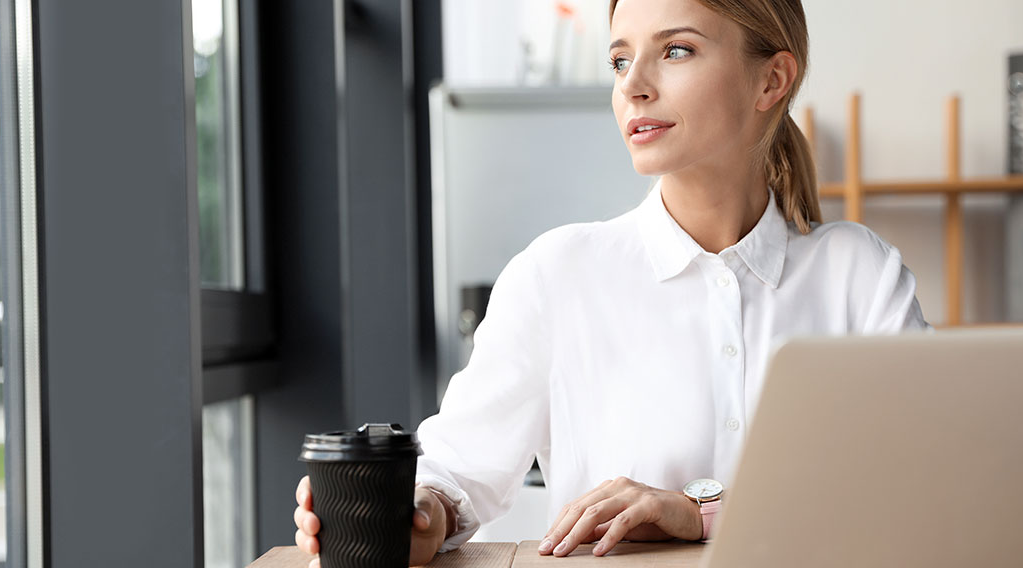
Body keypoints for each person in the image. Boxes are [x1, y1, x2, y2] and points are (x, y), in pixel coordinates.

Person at [294, 0, 931, 565]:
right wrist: (412, 516)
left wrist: (699, 513)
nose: (635, 86)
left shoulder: (860, 275)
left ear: (772, 78)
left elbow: (922, 477)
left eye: (675, 50)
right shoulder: (557, 274)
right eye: (620, 60)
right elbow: (455, 471)